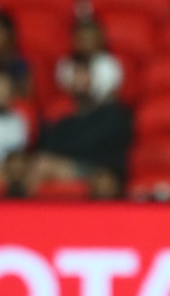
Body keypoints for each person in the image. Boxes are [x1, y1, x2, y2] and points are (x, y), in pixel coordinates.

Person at [22, 55, 132, 200]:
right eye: (75, 74)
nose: (78, 79)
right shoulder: (66, 121)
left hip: (99, 169)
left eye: (84, 74)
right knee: (29, 166)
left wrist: (65, 162)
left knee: (44, 166)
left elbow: (102, 147)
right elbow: (48, 148)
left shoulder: (113, 113)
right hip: (68, 166)